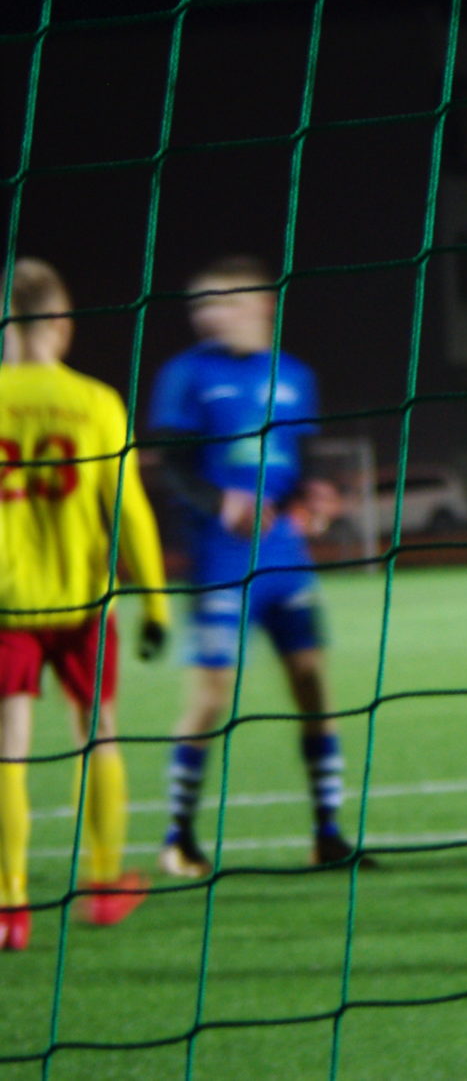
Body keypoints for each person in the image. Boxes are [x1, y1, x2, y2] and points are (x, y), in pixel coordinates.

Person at [147, 256, 360, 877]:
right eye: (201, 306)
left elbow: (304, 458)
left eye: (223, 301)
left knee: (313, 685)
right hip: (220, 561)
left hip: (286, 560)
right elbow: (172, 468)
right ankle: (179, 837)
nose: (209, 316)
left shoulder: (294, 375)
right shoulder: (185, 374)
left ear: (261, 304)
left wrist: (317, 497)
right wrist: (222, 503)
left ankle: (328, 834)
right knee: (211, 696)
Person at [0, 258, 169, 948]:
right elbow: (130, 510)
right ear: (62, 323)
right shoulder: (96, 402)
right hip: (83, 604)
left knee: (8, 749)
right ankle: (102, 884)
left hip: (6, 607)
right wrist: (156, 603)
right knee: (98, 731)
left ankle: (10, 906)